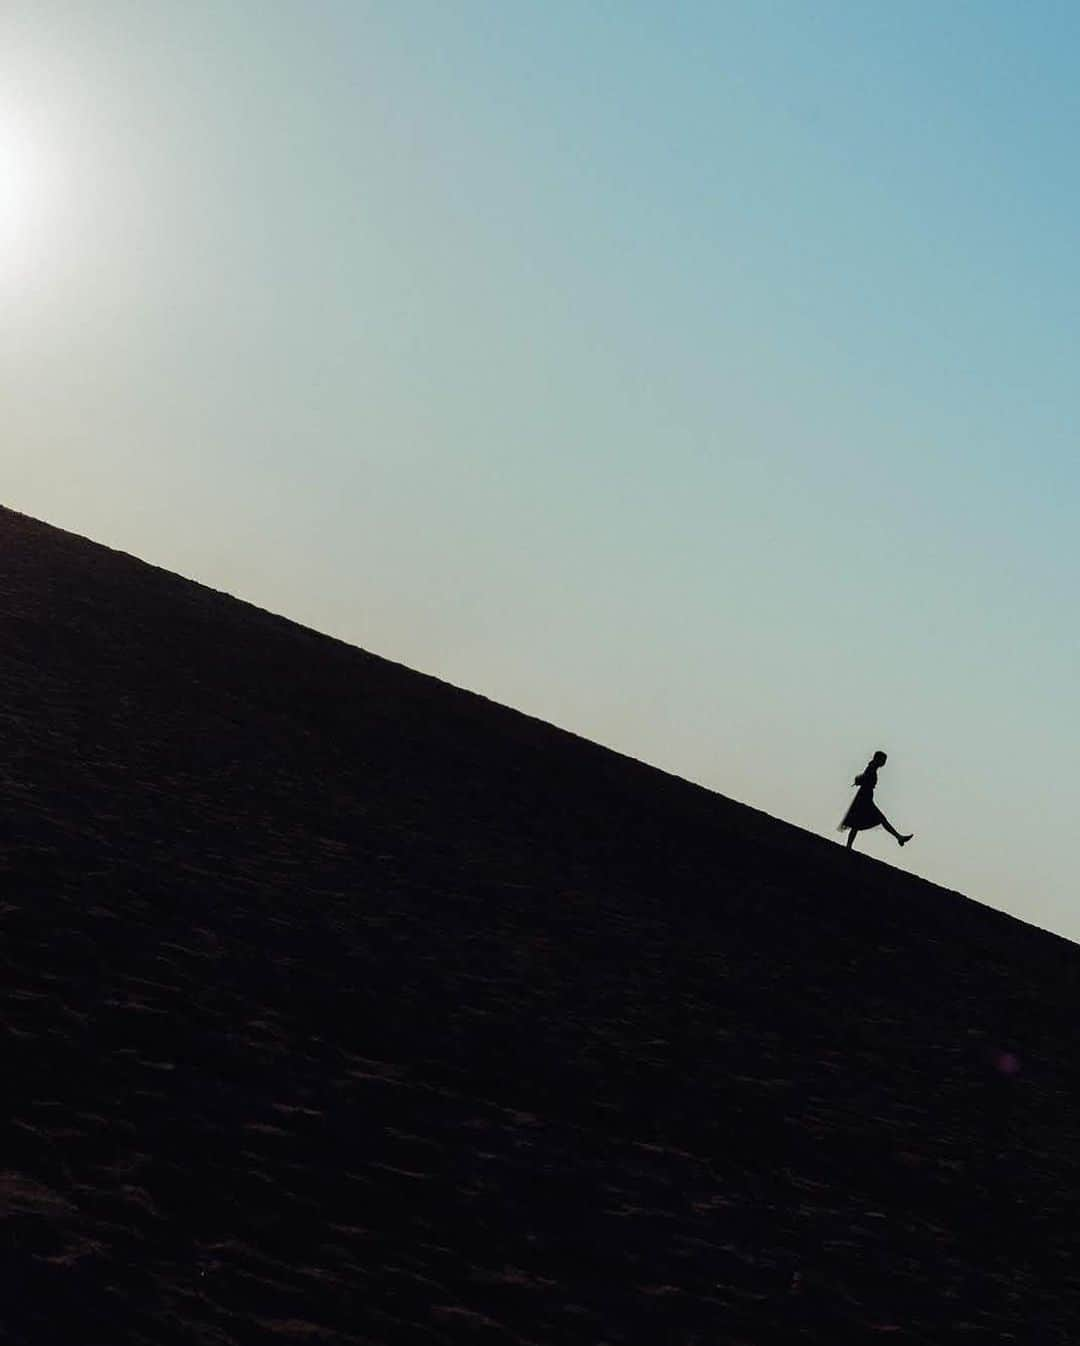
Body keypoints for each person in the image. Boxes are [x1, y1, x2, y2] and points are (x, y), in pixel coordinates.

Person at [840, 750, 913, 850]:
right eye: (883, 760)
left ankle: (899, 837)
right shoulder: (872, 767)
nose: (884, 762)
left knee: (857, 823)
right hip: (864, 797)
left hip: (865, 796)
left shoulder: (872, 767)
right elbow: (865, 779)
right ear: (878, 759)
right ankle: (899, 837)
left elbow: (864, 778)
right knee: (876, 819)